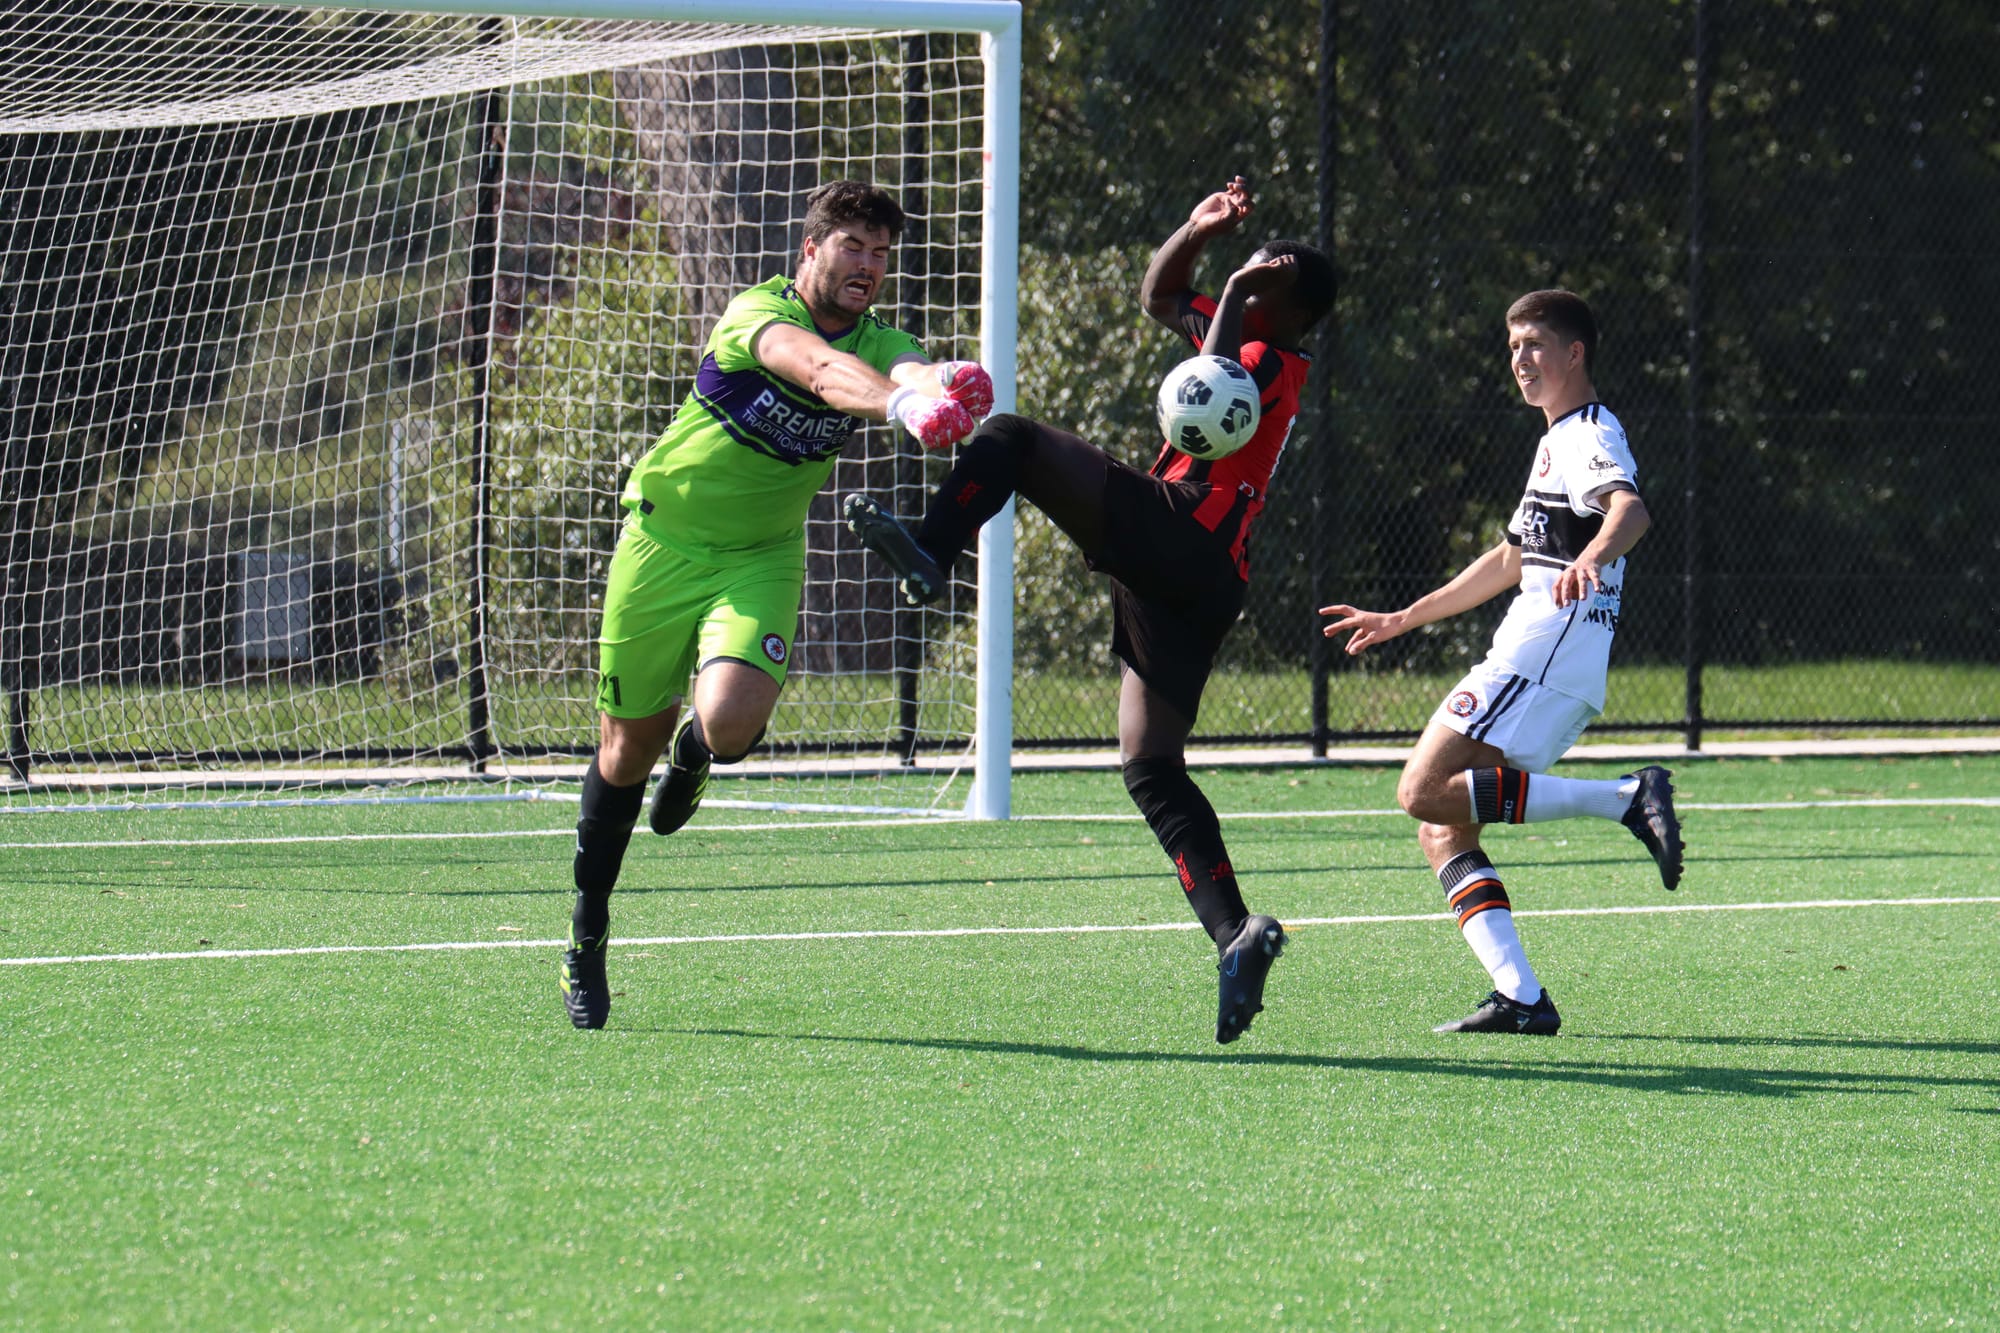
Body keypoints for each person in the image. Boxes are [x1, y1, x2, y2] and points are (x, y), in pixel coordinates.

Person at [843, 177, 1334, 1044]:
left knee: (1011, 439)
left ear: (1295, 309)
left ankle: (929, 551)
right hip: (1206, 578)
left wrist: (1239, 288)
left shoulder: (1266, 359)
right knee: (1151, 766)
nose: (1251, 278)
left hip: (1183, 529)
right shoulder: (1247, 337)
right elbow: (1160, 297)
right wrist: (1196, 230)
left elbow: (1206, 390)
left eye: (1270, 277)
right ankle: (1235, 934)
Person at [560, 179, 994, 1030]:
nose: (868, 265)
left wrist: (944, 379)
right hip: (662, 542)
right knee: (623, 751)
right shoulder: (754, 314)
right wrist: (907, 403)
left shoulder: (881, 339)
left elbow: (905, 365)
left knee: (728, 725)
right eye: (852, 246)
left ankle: (696, 753)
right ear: (811, 249)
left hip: (760, 556)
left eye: (881, 253)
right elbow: (822, 372)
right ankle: (587, 931)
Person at [1319, 289, 1684, 1036]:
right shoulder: (1556, 440)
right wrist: (1403, 618)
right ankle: (1521, 996)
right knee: (1443, 828)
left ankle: (1623, 798)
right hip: (1546, 661)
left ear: (1575, 353)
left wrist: (1591, 556)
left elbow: (1630, 509)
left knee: (1421, 791)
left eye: (1535, 344)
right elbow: (1509, 558)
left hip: (1539, 656)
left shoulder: (1588, 431)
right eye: (1513, 346)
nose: (1520, 359)